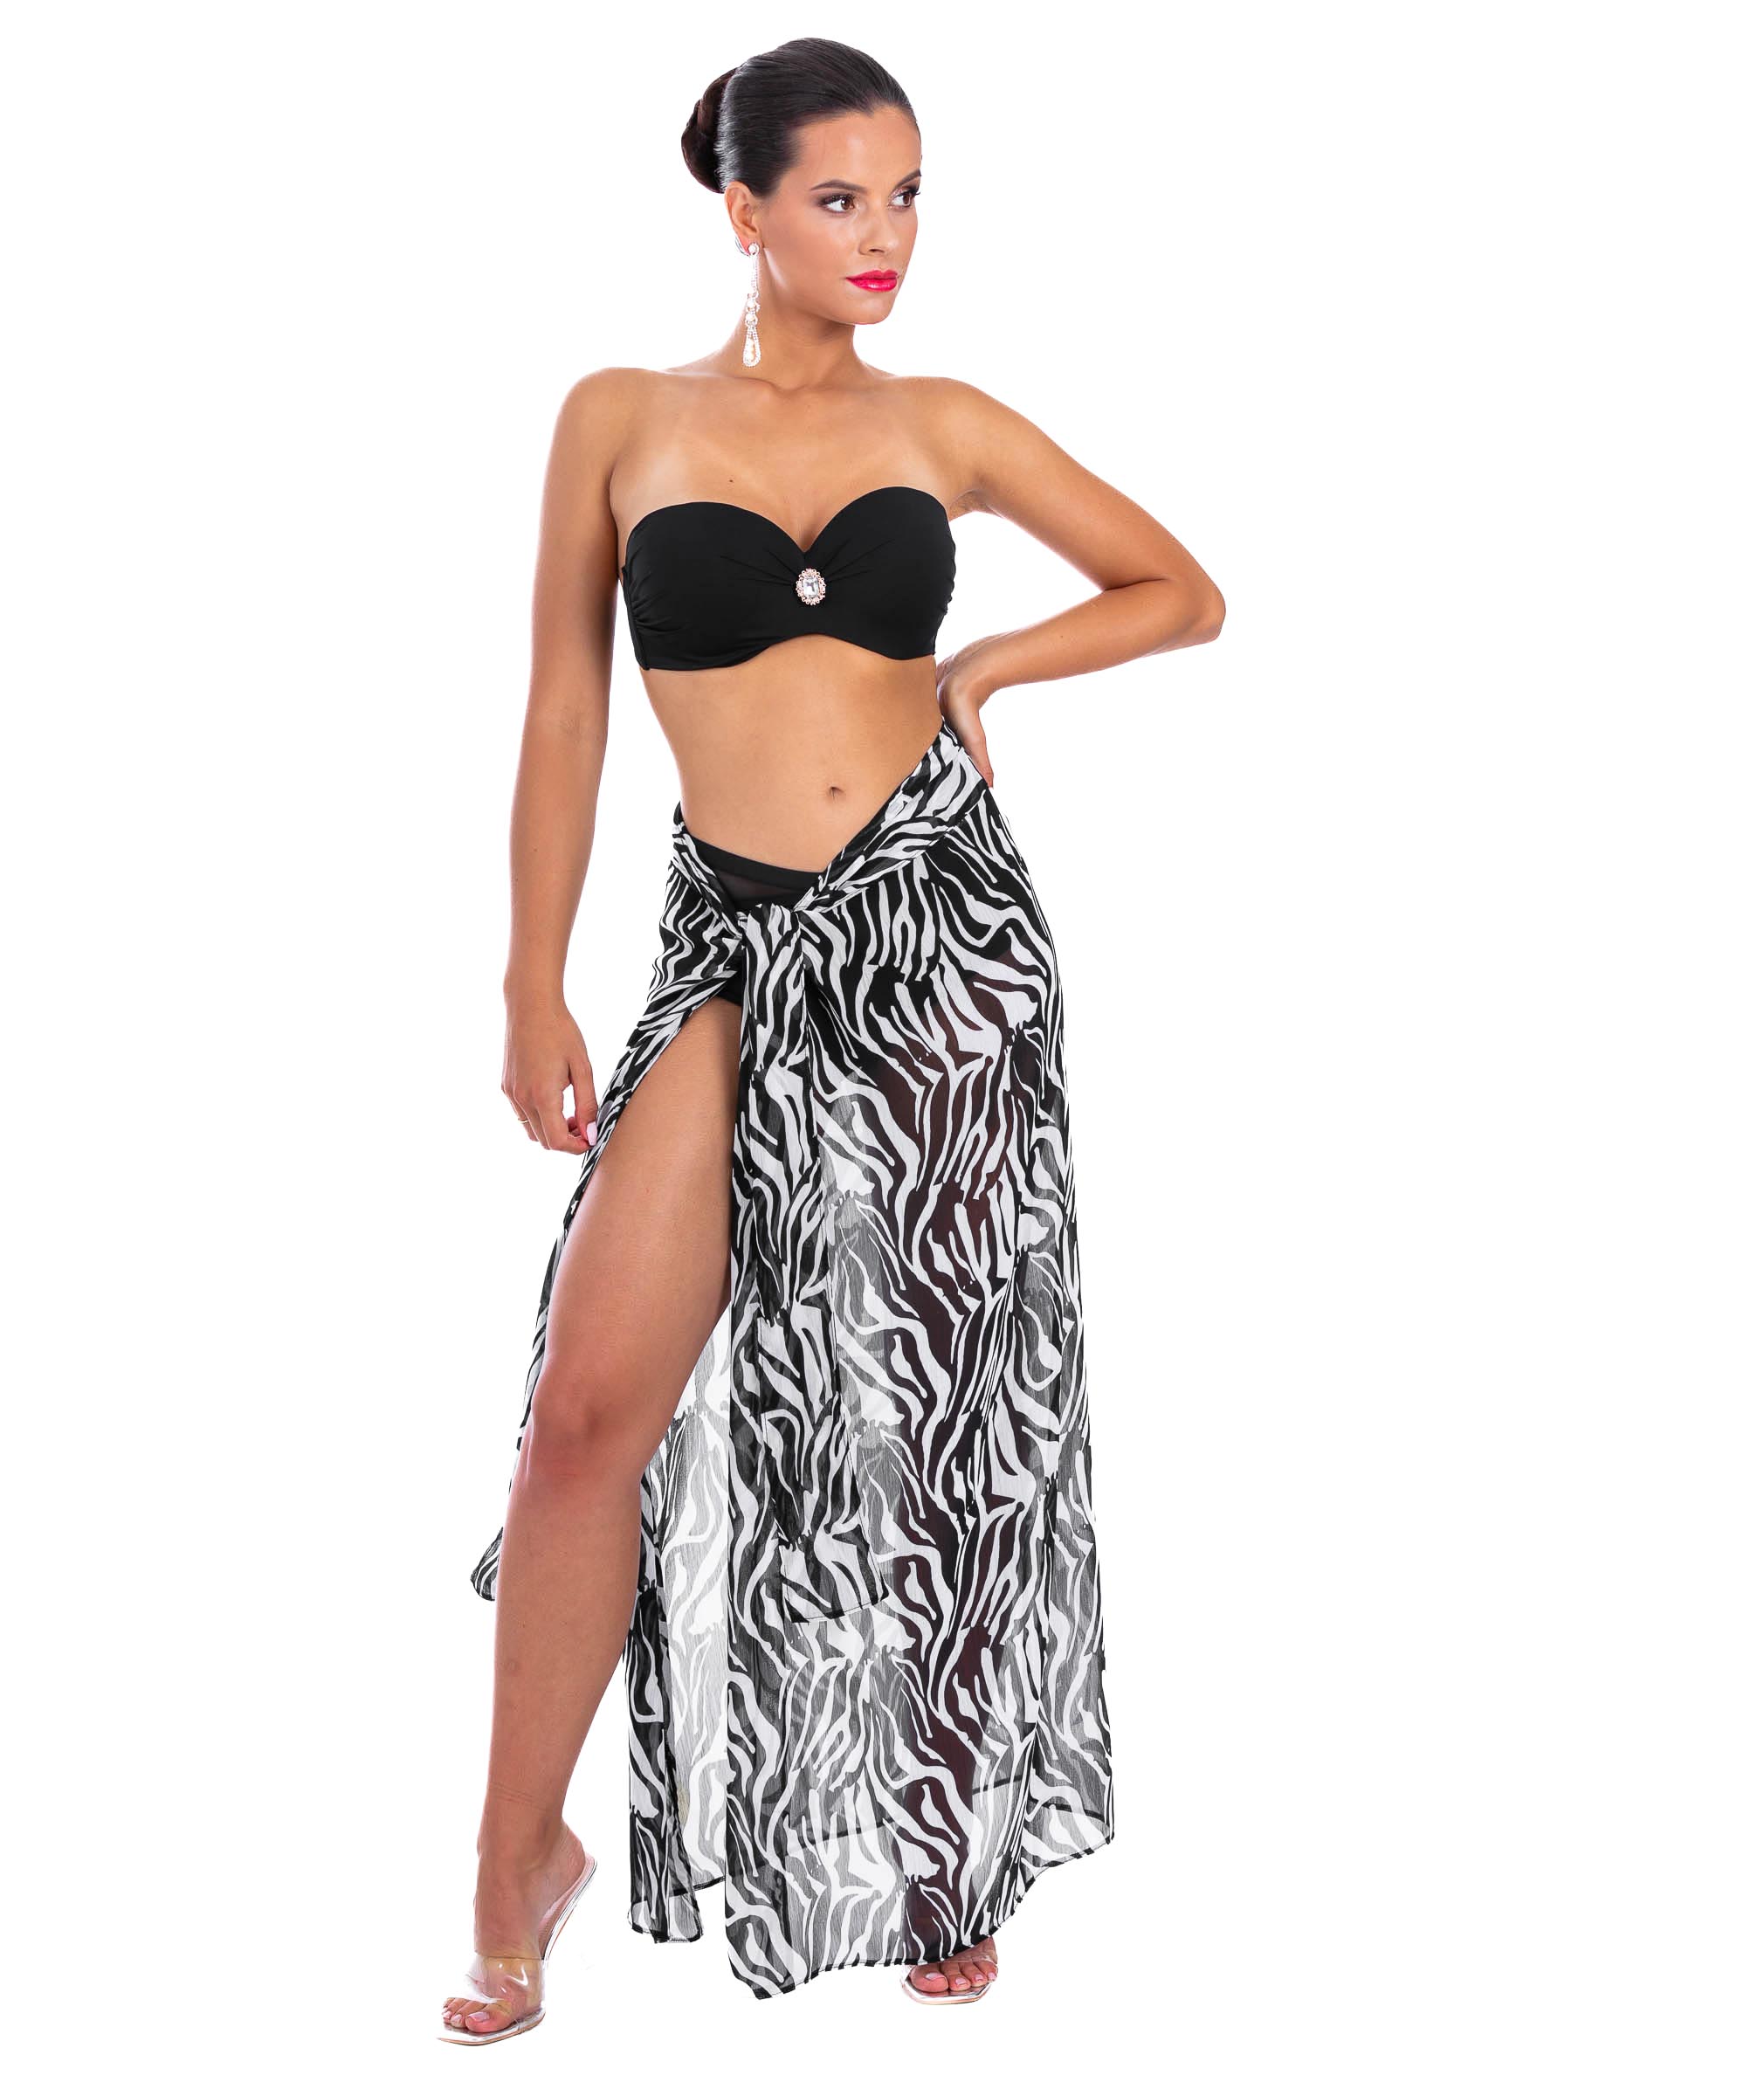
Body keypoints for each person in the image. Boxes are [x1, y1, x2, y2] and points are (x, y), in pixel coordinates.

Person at [443, 35, 1223, 2044]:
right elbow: (565, 708)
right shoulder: (620, 417)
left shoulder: (944, 421)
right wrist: (531, 979)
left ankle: (948, 1849)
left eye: (909, 196)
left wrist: (992, 664)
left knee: (940, 1405)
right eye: (840, 199)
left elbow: (1182, 589)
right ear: (744, 206)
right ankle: (514, 1862)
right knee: (583, 1416)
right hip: (729, 945)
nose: (885, 236)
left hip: (939, 938)